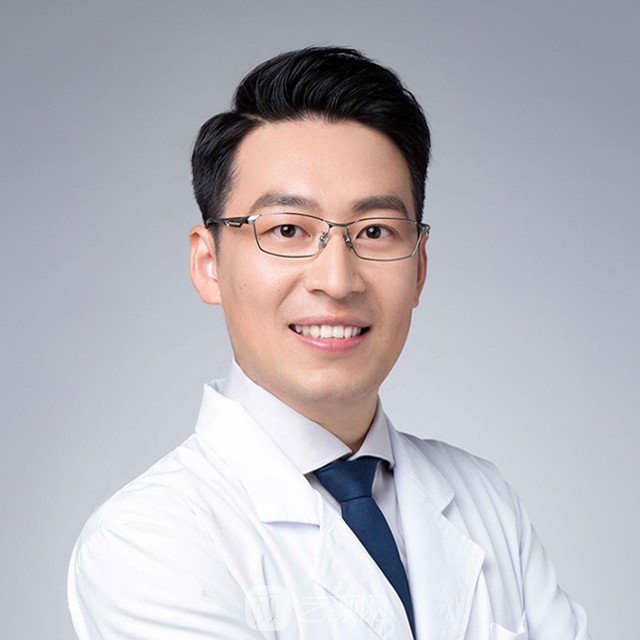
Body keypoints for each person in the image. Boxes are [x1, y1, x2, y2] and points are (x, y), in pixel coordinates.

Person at [67, 46, 591, 640]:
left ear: (419, 268)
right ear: (209, 264)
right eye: (288, 229)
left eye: (375, 231)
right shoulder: (147, 540)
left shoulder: (485, 499)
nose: (337, 280)